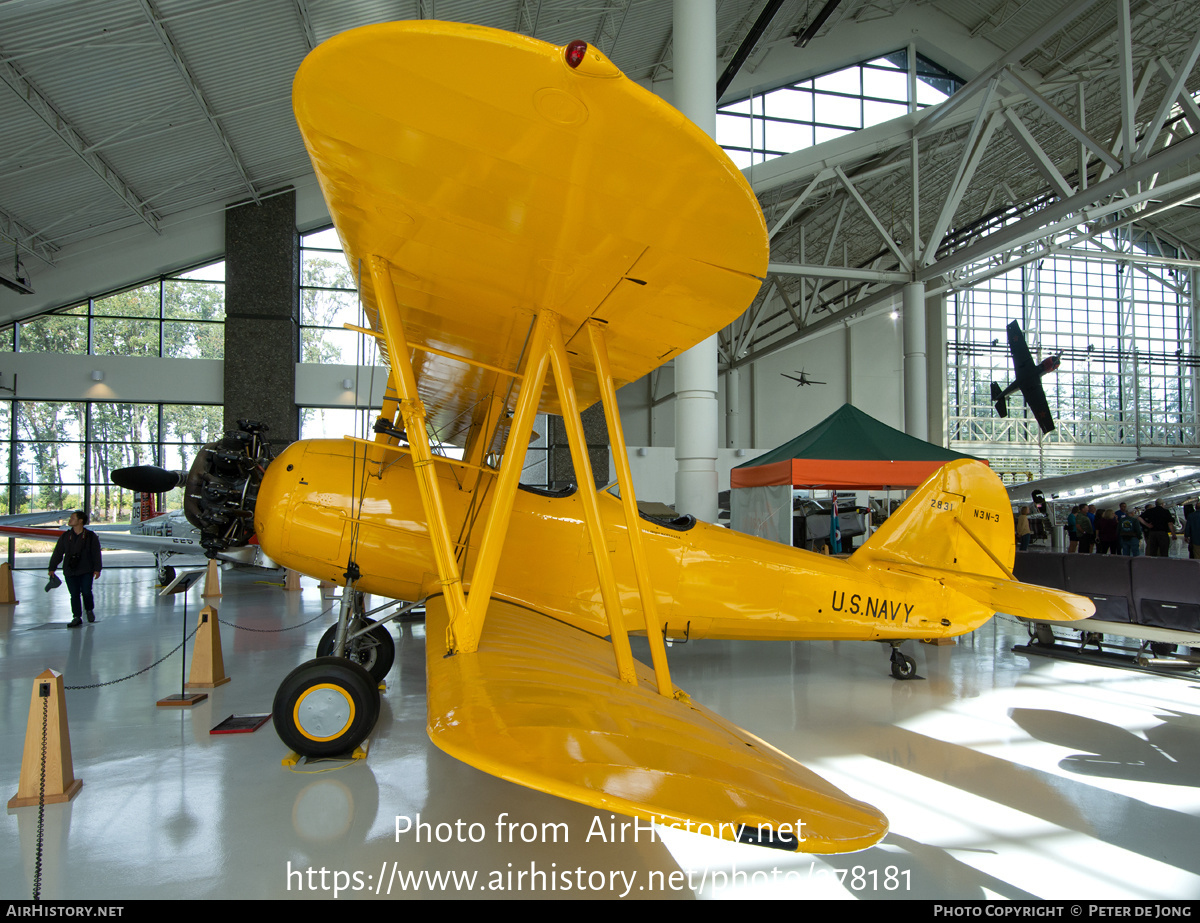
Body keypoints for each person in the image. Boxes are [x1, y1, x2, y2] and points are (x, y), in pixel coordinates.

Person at [48, 510, 102, 627]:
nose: (70, 520)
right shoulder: (66, 536)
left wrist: (97, 569)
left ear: (80, 521)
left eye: (73, 518)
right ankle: (76, 617)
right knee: (74, 594)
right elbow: (58, 553)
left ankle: (89, 609)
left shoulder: (91, 536)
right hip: (70, 570)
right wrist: (52, 567)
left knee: (87, 592)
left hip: (86, 569)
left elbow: (96, 553)